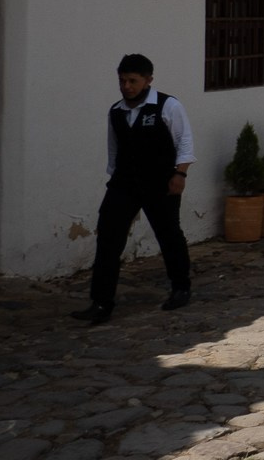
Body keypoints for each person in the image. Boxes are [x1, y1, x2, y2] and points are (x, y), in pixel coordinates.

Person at [72, 54, 194, 325]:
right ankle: (102, 301)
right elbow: (113, 149)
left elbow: (184, 143)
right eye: (122, 81)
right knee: (108, 238)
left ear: (148, 80)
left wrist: (180, 174)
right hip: (124, 184)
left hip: (161, 182)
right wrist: (114, 178)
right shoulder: (116, 112)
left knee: (168, 233)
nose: (127, 86)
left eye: (133, 81)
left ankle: (181, 286)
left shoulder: (167, 106)